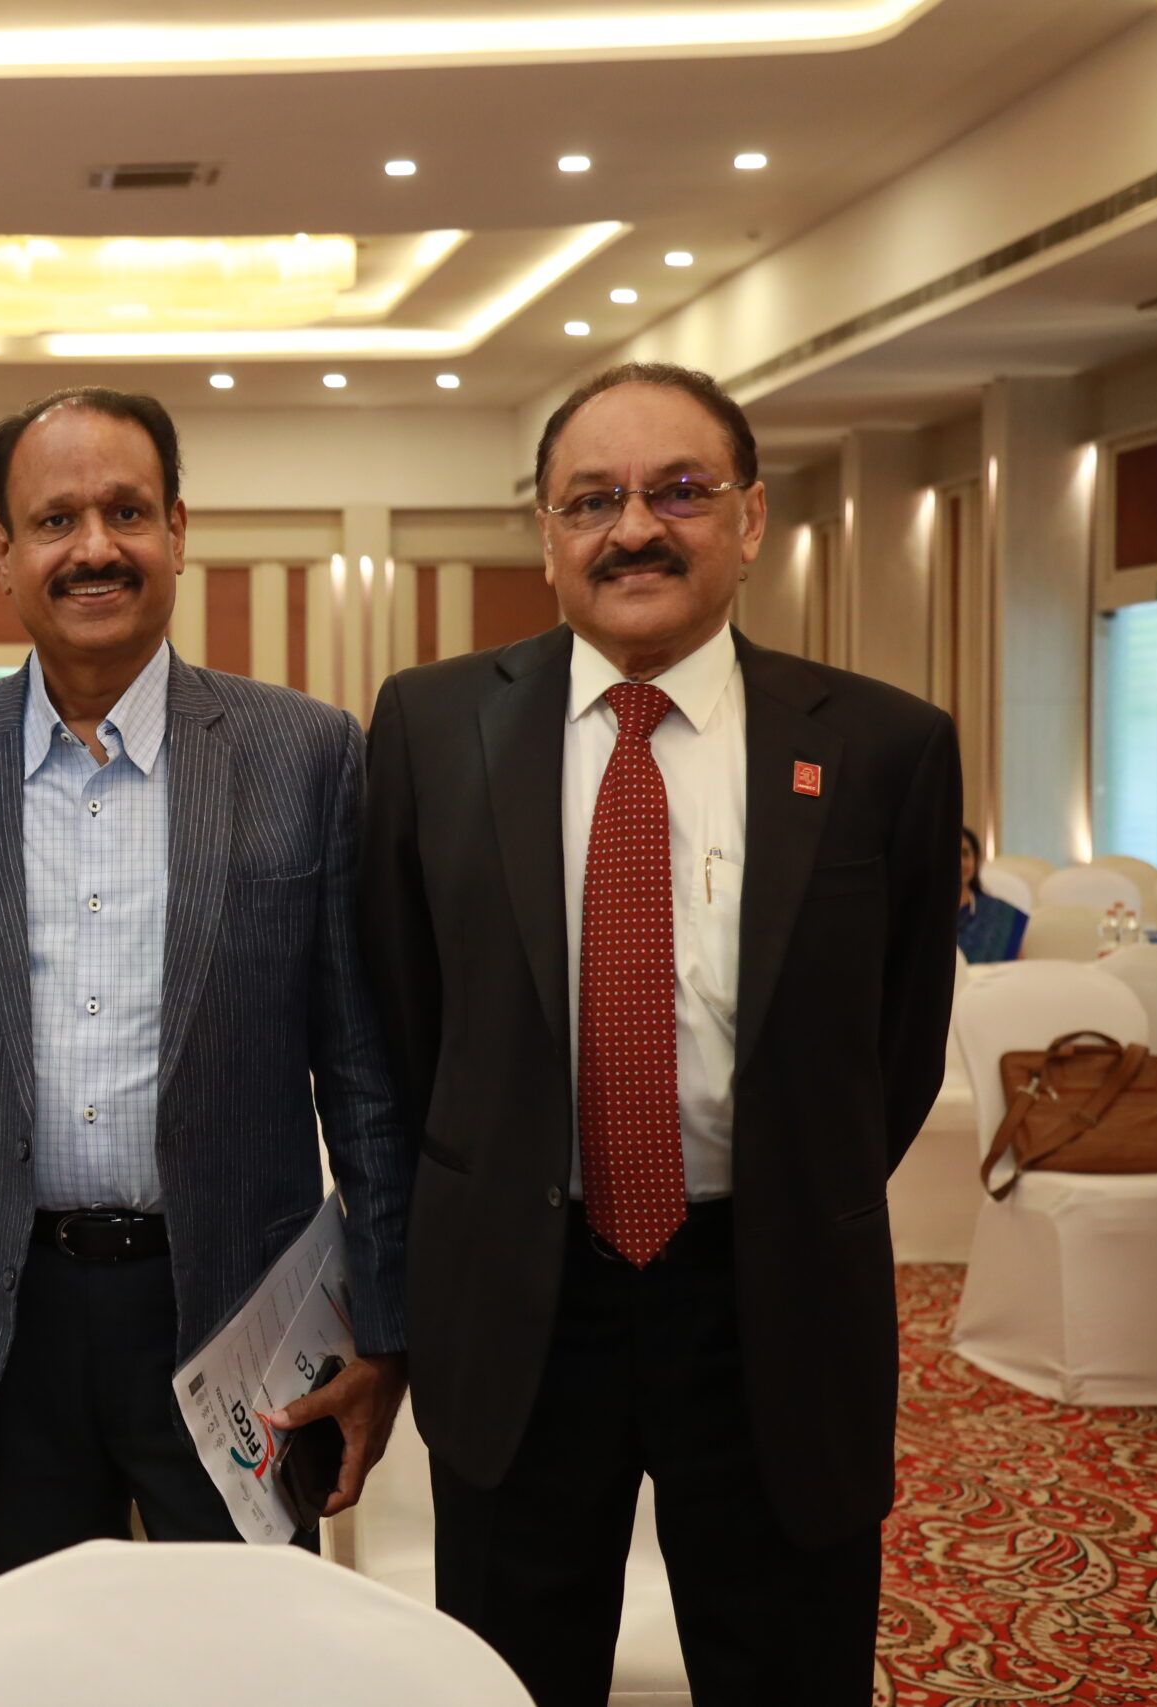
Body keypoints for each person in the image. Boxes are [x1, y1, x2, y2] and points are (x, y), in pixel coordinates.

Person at [356, 362, 959, 1706]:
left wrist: (787, 1185)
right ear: (548, 536)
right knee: (511, 1677)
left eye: (679, 491)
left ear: (749, 520)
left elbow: (896, 1047)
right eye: (592, 500)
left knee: (787, 1666)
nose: (633, 528)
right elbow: (406, 1021)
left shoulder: (884, 747)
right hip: (522, 1298)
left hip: (773, 1299)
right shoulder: (430, 728)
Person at [0, 387, 411, 1578]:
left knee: (246, 1649)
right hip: (9, 1324)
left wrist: (382, 1326)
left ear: (176, 529)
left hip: (240, 1323)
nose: (94, 548)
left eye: (125, 512)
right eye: (54, 520)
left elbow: (363, 1076)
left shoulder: (305, 754)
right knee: (39, 1650)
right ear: (1, 549)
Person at [957, 826, 1026, 962]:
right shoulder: (920, 913)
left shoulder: (1001, 915)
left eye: (965, 854)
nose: (960, 862)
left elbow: (1018, 968)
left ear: (976, 860)